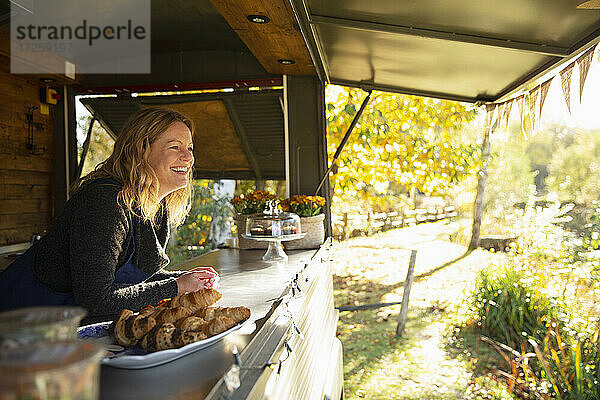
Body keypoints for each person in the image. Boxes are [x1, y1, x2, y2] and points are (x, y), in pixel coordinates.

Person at [0, 108, 218, 323]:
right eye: (175, 147)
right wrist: (177, 286)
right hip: (22, 329)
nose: (188, 157)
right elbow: (96, 300)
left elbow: (138, 282)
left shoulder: (153, 208)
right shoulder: (105, 202)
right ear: (140, 150)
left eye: (189, 147)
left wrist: (188, 279)